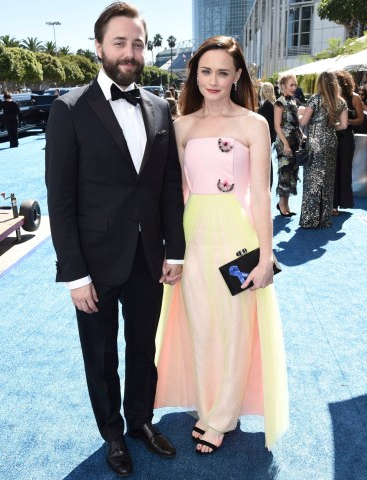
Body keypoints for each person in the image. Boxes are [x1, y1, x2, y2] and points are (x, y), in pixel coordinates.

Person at [45, 2, 185, 477]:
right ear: (100, 46)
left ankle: (142, 421)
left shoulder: (160, 106)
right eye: (120, 42)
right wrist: (75, 274)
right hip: (95, 264)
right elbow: (59, 199)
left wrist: (176, 251)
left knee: (143, 348)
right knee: (101, 356)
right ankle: (112, 434)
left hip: (149, 257)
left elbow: (167, 188)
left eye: (138, 43)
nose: (130, 52)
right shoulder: (69, 109)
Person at [155, 36, 289, 455]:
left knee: (235, 327)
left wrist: (267, 256)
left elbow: (263, 195)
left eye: (223, 72)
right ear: (195, 74)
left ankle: (223, 415)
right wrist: (169, 251)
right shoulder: (182, 126)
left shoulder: (254, 124)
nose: (213, 80)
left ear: (237, 77)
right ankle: (205, 402)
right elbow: (175, 194)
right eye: (206, 71)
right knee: (200, 325)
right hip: (193, 236)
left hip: (238, 239)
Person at [298, 72, 348, 229]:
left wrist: (296, 116)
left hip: (315, 141)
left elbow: (304, 121)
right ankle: (324, 219)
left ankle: (310, 219)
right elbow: (344, 125)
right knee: (327, 179)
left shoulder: (315, 99)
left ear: (320, 83)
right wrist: (330, 126)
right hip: (331, 141)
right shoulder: (340, 102)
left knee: (312, 179)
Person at [333, 71, 364, 214]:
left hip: (346, 137)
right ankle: (333, 204)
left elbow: (361, 119)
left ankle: (344, 202)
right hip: (332, 135)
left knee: (345, 170)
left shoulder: (355, 98)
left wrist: (347, 121)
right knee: (332, 169)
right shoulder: (332, 98)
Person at [274, 74, 302, 216]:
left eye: (295, 85)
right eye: (291, 85)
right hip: (284, 144)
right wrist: (285, 143)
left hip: (294, 142)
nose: (294, 87)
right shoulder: (279, 103)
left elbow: (295, 123)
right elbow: (277, 126)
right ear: (283, 86)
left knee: (292, 173)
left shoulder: (293, 102)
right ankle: (281, 204)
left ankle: (286, 205)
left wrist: (302, 134)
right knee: (284, 173)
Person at [258, 82, 276, 188]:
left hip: (265, 138)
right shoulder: (271, 105)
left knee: (265, 163)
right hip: (269, 138)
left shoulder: (266, 106)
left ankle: (267, 184)